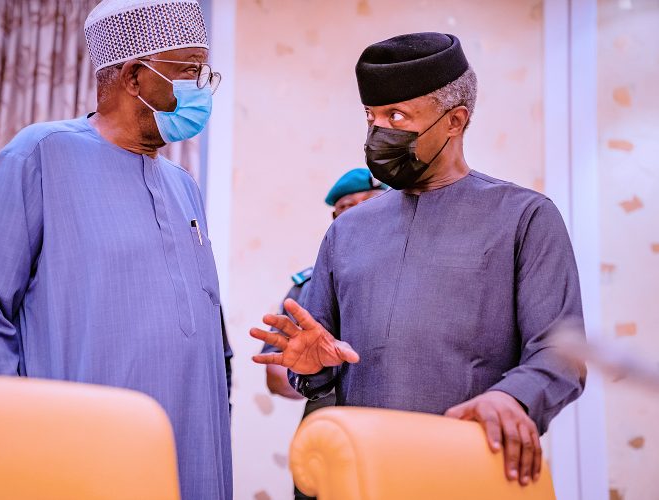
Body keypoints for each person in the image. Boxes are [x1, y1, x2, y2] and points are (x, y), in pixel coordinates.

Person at [251, 32, 586, 488]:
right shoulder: (346, 231)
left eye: (397, 116)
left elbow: (562, 354)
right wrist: (310, 367)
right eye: (371, 116)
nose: (378, 132)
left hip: (472, 469)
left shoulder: (524, 217)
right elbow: (323, 356)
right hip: (361, 475)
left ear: (454, 121)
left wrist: (514, 399)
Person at [0, 1, 231, 498]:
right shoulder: (42, 155)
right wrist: (12, 432)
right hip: (78, 457)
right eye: (187, 71)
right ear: (136, 77)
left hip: (195, 454)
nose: (202, 87)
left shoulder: (183, 185)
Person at [264, 168, 386, 410]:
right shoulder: (309, 286)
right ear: (335, 218)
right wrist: (316, 376)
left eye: (370, 202)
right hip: (327, 420)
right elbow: (276, 373)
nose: (360, 212)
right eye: (348, 206)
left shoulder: (409, 274)